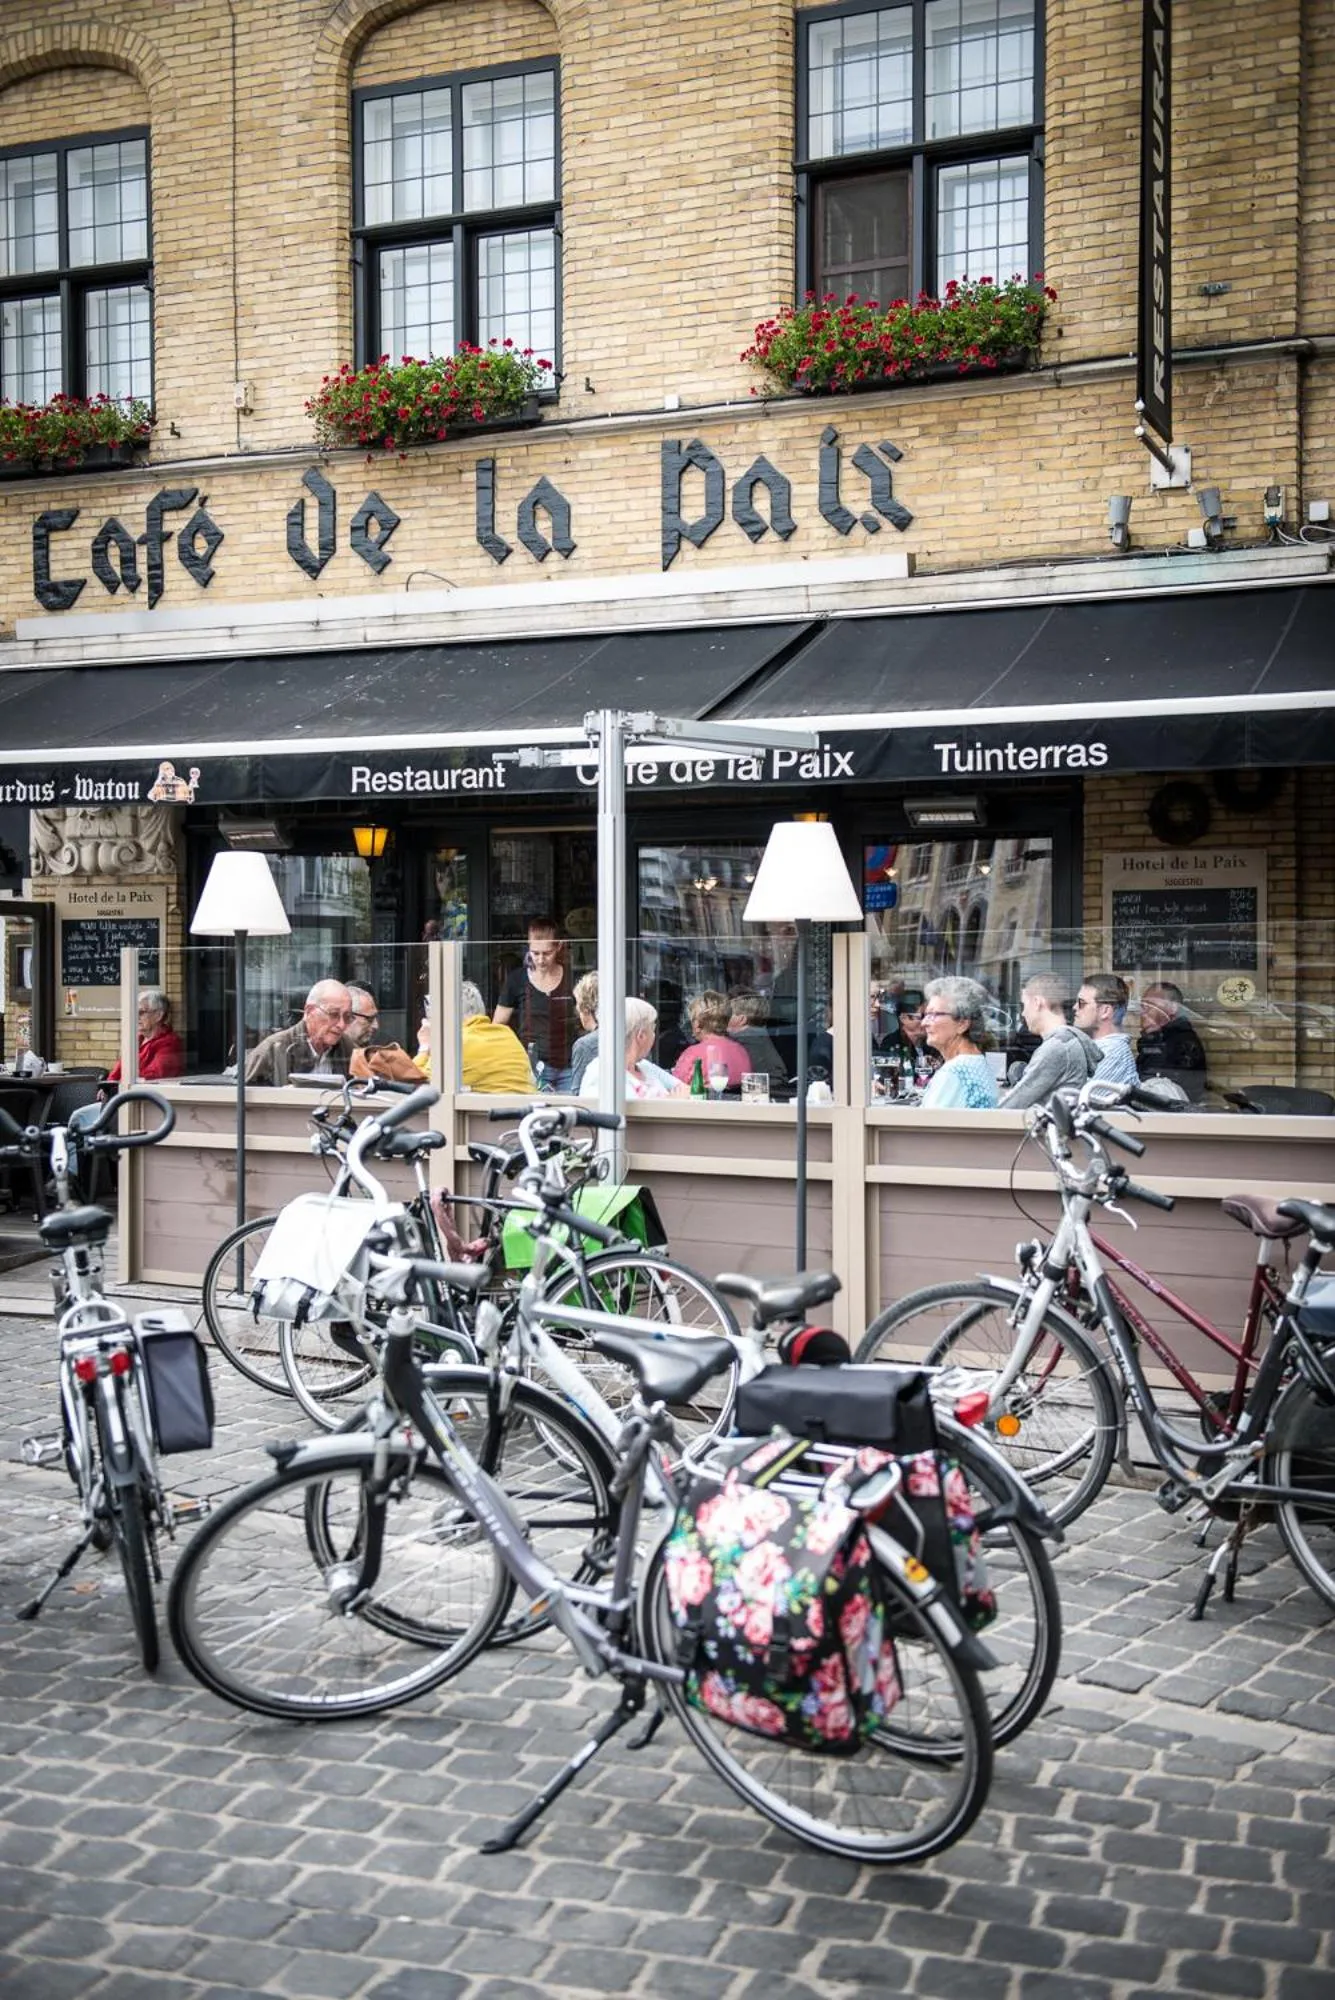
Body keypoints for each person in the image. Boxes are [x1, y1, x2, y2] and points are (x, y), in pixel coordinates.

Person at [1000, 973, 1101, 1111]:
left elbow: (1009, 1107)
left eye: (1024, 1005)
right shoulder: (1065, 1043)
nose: (1023, 1013)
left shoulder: (1057, 1047)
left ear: (1037, 1002)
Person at [493, 917, 577, 1082]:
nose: (540, 959)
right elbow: (497, 1025)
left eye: (547, 953)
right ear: (528, 947)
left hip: (568, 1066)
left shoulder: (572, 978)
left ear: (558, 946)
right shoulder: (516, 979)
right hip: (530, 1066)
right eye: (535, 953)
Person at [414, 983, 536, 1093]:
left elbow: (416, 1085)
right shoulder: (507, 1035)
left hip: (486, 1116)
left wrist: (425, 1047)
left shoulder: (459, 1044)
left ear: (449, 1016)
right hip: (519, 1115)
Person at [245, 980, 354, 1085]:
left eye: (347, 1017)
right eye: (334, 1014)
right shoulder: (274, 1050)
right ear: (309, 1011)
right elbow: (248, 1097)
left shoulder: (347, 1048)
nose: (341, 1025)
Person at [582, 997, 687, 1100]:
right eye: (653, 1030)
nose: (655, 1035)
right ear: (641, 1036)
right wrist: (672, 1100)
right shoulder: (604, 1073)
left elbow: (686, 1090)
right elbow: (634, 1113)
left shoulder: (644, 1066)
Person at [918, 977, 999, 1109]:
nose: (924, 1023)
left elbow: (927, 1126)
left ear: (962, 1024)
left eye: (934, 1014)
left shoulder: (954, 1072)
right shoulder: (978, 1063)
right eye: (926, 1014)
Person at [1137, 981, 1208, 1101]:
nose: (1143, 1013)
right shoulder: (1162, 1039)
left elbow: (1154, 1089)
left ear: (1172, 1008)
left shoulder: (1177, 1043)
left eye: (1150, 1006)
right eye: (1143, 1007)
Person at [671, 990, 751, 1091]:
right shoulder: (741, 1051)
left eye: (692, 1021)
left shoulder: (693, 1053)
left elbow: (675, 1088)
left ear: (697, 1025)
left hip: (704, 1106)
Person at [104, 988, 184, 1087]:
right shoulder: (136, 1039)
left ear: (158, 1016)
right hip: (125, 1093)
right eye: (135, 1012)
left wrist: (120, 1084)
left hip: (149, 1098)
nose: (136, 1017)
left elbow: (155, 1075)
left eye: (141, 1012)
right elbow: (119, 1069)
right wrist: (108, 1086)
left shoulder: (170, 1042)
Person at [1073, 973, 1140, 1090]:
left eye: (1082, 1003)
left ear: (1105, 1011)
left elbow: (1079, 1102)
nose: (1075, 1007)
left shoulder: (1113, 1054)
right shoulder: (1100, 1049)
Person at [726, 990, 788, 1093]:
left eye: (728, 1014)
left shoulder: (743, 1041)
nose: (723, 1018)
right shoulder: (761, 1037)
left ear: (741, 1019)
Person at [567, 972, 600, 1094]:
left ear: (585, 1008)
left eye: (577, 1003)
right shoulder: (632, 1036)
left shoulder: (585, 1045)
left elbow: (578, 1095)